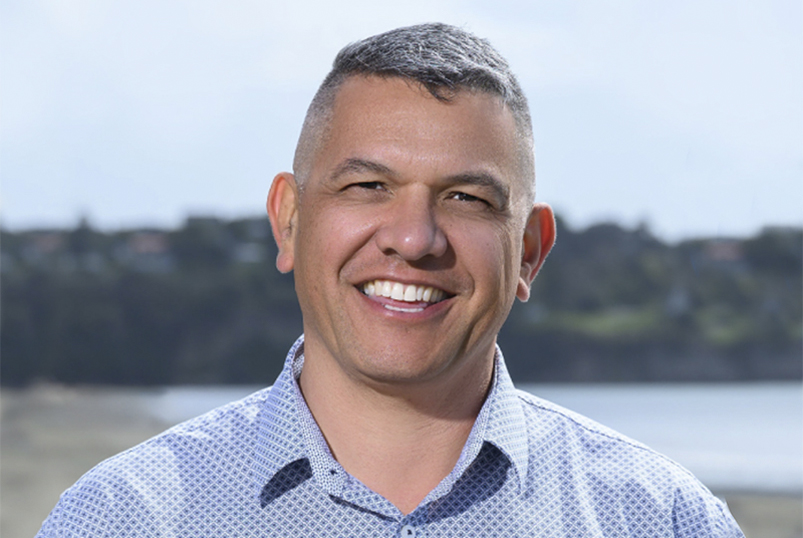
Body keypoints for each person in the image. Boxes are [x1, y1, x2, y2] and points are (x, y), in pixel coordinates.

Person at [37, 23, 743, 537]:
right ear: (288, 220)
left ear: (529, 251)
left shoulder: (659, 518)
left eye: (466, 198)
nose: (412, 239)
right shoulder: (125, 517)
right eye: (368, 186)